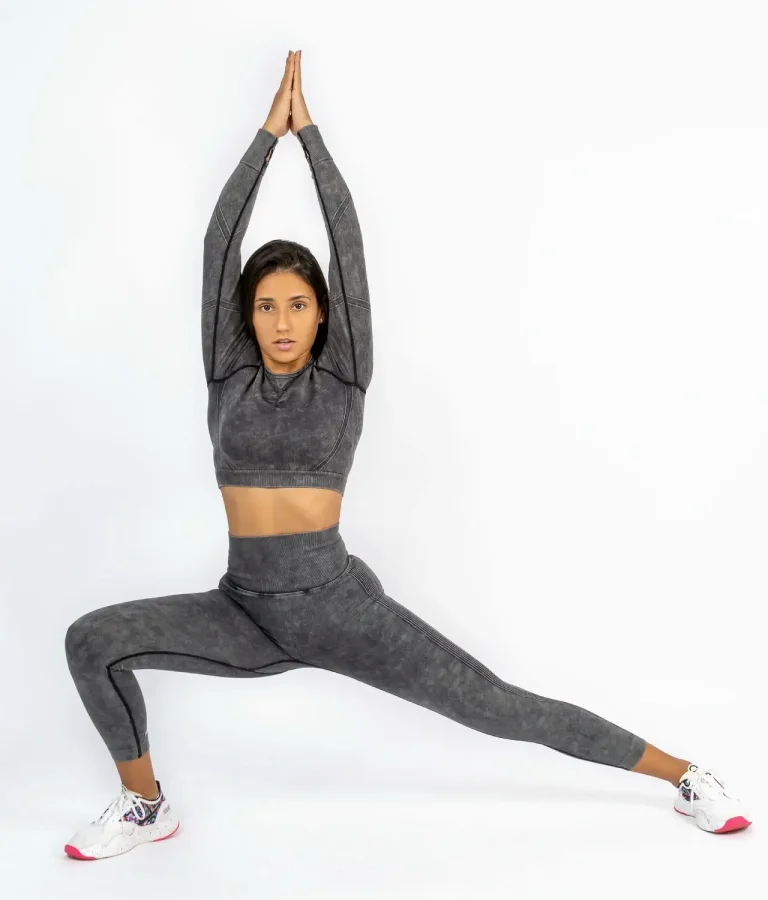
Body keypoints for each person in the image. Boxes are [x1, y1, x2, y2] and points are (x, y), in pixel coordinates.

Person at [62, 50, 752, 861]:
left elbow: (346, 244)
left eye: (298, 305)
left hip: (342, 612)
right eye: (266, 306)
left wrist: (309, 140)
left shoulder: (344, 377)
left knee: (499, 706)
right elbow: (221, 244)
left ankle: (686, 775)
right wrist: (263, 138)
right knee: (91, 639)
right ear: (245, 318)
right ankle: (145, 806)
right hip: (243, 612)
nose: (281, 321)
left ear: (324, 315)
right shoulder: (228, 377)